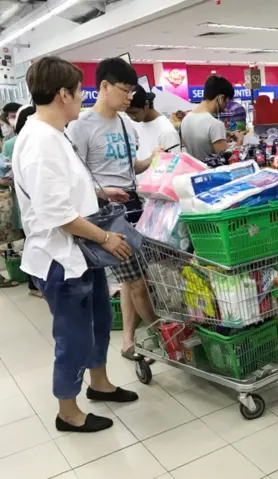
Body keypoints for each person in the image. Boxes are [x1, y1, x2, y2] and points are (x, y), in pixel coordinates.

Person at [13, 56, 139, 433]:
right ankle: (68, 411)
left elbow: (67, 191)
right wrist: (106, 237)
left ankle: (99, 384)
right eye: (79, 91)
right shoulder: (39, 143)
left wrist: (101, 195)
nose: (82, 98)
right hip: (61, 258)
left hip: (82, 255)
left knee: (101, 321)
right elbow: (57, 215)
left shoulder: (56, 134)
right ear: (62, 93)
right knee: (72, 336)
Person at [66, 57, 160, 362]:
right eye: (125, 89)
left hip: (134, 207)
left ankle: (129, 340)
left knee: (131, 280)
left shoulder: (125, 123)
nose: (130, 96)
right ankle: (163, 334)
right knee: (137, 282)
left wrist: (154, 159)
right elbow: (72, 179)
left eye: (133, 91)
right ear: (104, 86)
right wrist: (101, 191)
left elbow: (132, 165)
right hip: (106, 214)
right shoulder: (81, 127)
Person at [1, 105, 42, 296]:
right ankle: (34, 283)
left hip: (30, 196)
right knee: (31, 237)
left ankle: (36, 281)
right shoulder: (11, 144)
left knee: (32, 237)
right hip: (22, 197)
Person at [181, 74, 235, 161]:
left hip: (193, 171)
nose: (226, 107)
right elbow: (226, 160)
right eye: (226, 102)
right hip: (212, 173)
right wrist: (239, 142)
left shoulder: (186, 119)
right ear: (221, 98)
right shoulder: (215, 124)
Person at [126, 85, 181, 159]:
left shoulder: (167, 132)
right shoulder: (133, 123)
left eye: (134, 112)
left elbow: (174, 165)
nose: (131, 117)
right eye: (127, 113)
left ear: (146, 104)